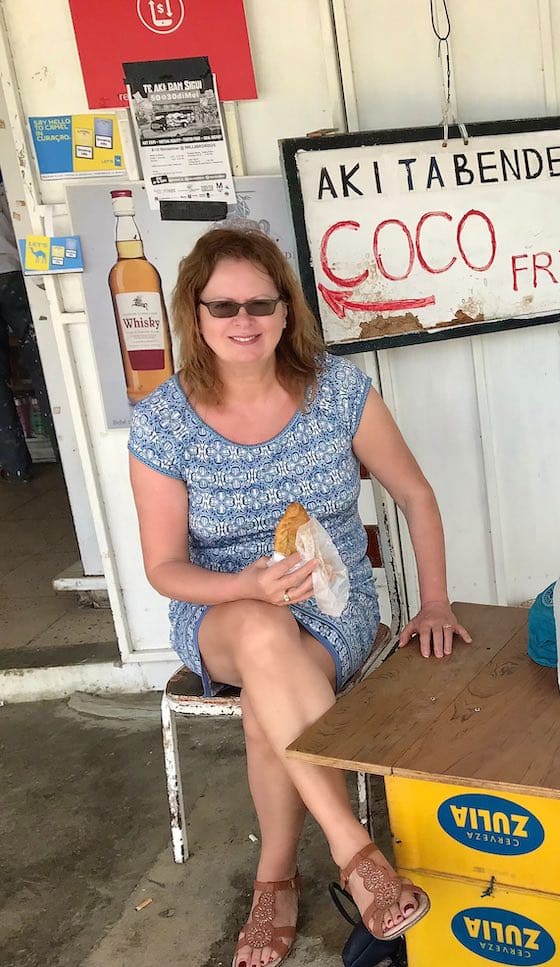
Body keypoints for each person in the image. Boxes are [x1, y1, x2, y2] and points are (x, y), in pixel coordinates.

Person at [128, 227, 471, 967]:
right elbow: (164, 566)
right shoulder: (163, 422)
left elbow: (414, 493)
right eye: (223, 306)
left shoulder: (337, 391)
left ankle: (274, 881)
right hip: (217, 606)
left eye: (260, 302)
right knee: (256, 631)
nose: (242, 319)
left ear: (287, 311)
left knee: (264, 702)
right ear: (195, 313)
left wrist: (436, 599)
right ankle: (356, 853)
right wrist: (245, 585)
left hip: (331, 606)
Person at [0, 178, 54, 483]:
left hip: (14, 274)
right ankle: (65, 450)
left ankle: (15, 466)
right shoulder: (8, 176)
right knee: (42, 364)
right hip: (16, 275)